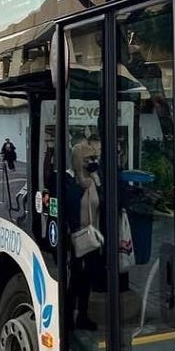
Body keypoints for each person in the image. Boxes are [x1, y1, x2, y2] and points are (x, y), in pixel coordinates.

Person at [65, 139, 102, 331]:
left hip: (93, 235)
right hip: (77, 237)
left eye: (94, 158)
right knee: (76, 278)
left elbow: (102, 202)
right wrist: (83, 183)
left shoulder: (94, 179)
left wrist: (96, 179)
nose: (92, 162)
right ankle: (69, 315)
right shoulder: (70, 181)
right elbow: (70, 206)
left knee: (87, 279)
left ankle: (83, 316)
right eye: (88, 159)